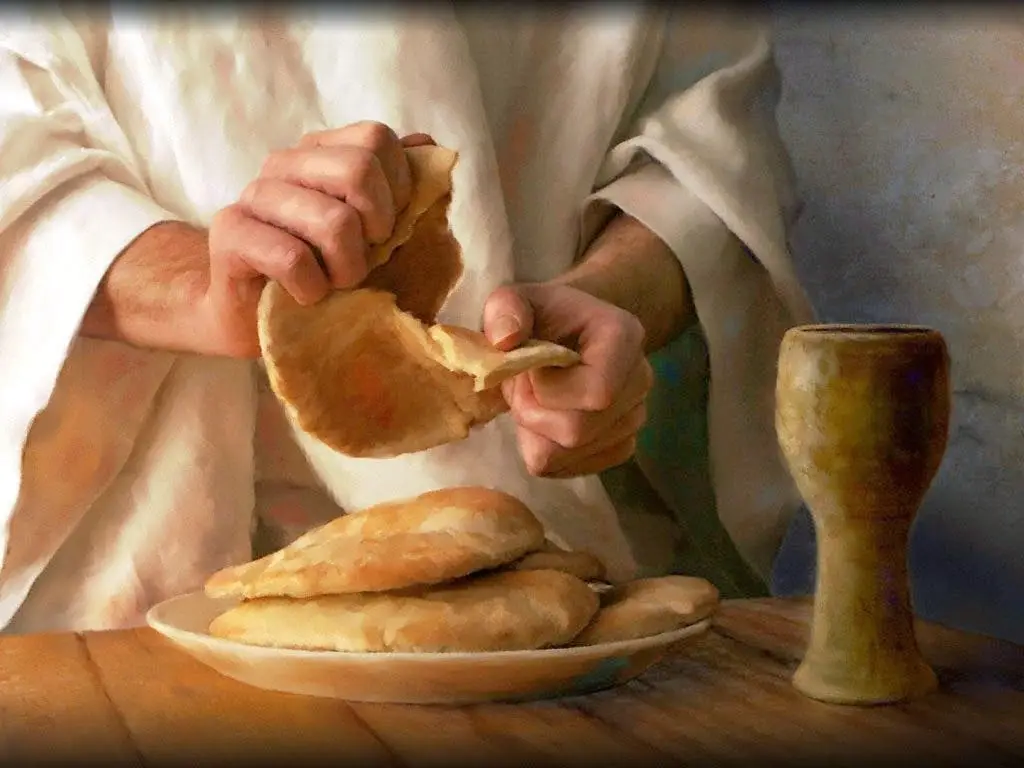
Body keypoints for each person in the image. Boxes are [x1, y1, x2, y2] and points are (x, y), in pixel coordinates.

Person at [0, 5, 813, 632]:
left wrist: (606, 301)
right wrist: (199, 289)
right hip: (141, 572)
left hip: (554, 549)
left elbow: (706, 144)